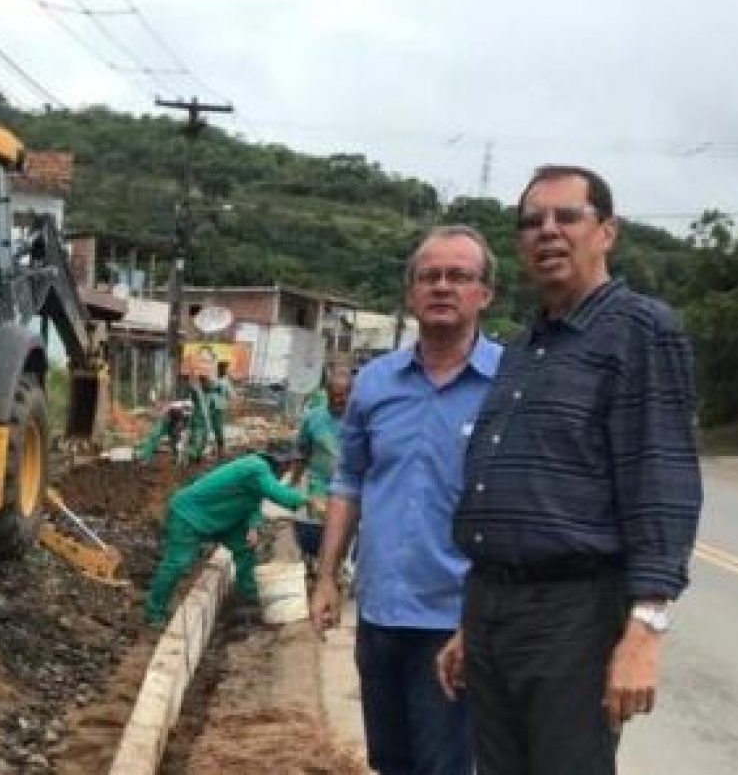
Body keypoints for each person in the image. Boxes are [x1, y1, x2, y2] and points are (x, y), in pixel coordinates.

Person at [440, 165, 703, 774]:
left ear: (607, 231)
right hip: (492, 609)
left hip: (573, 615)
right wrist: (472, 626)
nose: (547, 232)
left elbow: (661, 477)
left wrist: (645, 626)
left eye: (567, 217)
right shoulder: (526, 345)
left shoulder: (640, 330)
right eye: (532, 222)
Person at [310, 226, 502, 775]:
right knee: (390, 761)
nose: (443, 287)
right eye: (429, 276)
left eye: (459, 276)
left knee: (444, 766)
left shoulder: (508, 387)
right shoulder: (375, 383)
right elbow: (350, 482)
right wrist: (326, 577)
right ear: (410, 293)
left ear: (484, 294)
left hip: (456, 621)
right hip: (379, 614)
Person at [144, 451, 316, 626]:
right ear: (276, 461)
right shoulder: (256, 467)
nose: (287, 470)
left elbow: (255, 502)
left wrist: (253, 526)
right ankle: (154, 612)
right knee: (178, 562)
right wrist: (308, 501)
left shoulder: (258, 471)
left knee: (245, 547)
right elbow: (278, 494)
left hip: (221, 517)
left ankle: (248, 597)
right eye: (286, 465)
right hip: (189, 515)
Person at [289, 369, 351, 569]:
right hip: (319, 485)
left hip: (349, 487)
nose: (339, 400)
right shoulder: (313, 418)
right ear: (327, 393)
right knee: (317, 529)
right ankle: (313, 566)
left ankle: (335, 569)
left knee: (343, 531)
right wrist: (293, 483)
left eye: (344, 395)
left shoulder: (359, 421)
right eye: (335, 395)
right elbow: (302, 452)